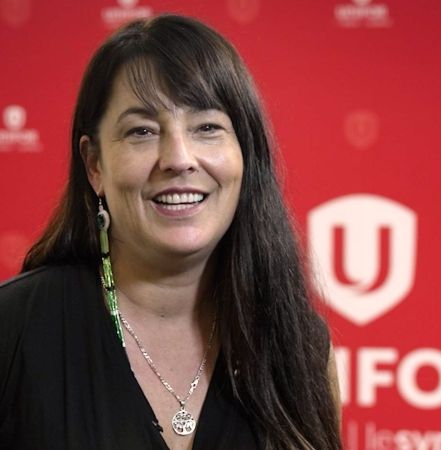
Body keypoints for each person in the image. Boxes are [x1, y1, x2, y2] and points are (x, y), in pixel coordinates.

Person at [0, 14, 342, 450]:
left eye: (207, 128)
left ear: (245, 154)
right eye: (141, 131)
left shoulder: (299, 347)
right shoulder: (12, 330)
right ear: (95, 165)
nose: (179, 158)